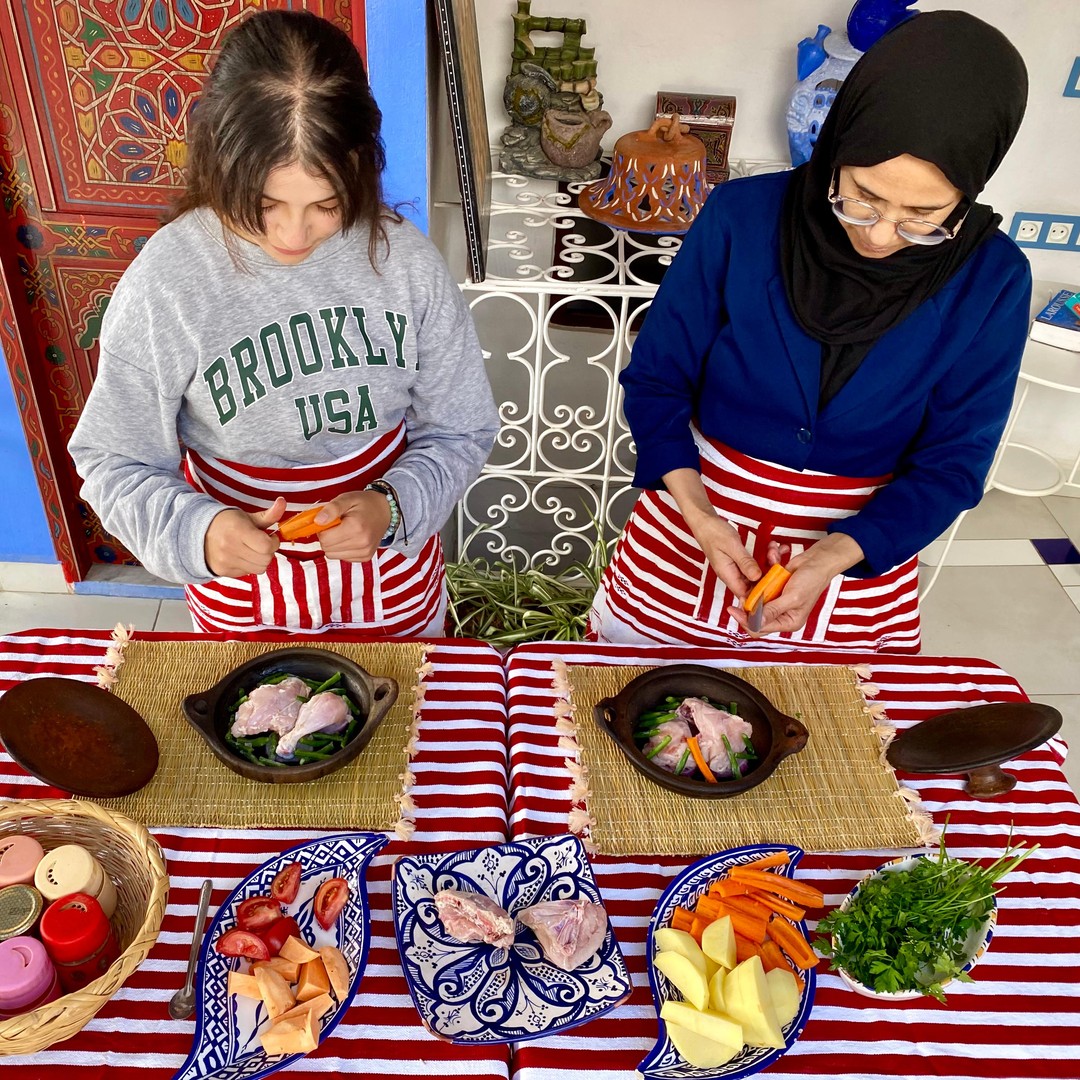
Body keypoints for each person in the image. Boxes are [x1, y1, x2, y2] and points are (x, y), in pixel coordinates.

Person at [589, 10, 1030, 652]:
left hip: (855, 560)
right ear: (839, 146)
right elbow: (658, 380)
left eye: (924, 215)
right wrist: (700, 516)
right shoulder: (744, 217)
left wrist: (838, 554)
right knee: (634, 716)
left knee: (822, 734)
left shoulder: (991, 279)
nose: (880, 235)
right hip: (693, 523)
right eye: (863, 196)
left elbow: (955, 460)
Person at [69, 10, 498, 636]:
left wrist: (393, 506)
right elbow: (113, 461)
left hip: (390, 575)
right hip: (242, 590)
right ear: (219, 164)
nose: (293, 235)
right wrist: (200, 531)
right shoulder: (169, 281)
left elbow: (460, 430)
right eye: (264, 206)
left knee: (403, 722)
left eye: (325, 206)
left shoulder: (405, 265)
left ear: (359, 166)